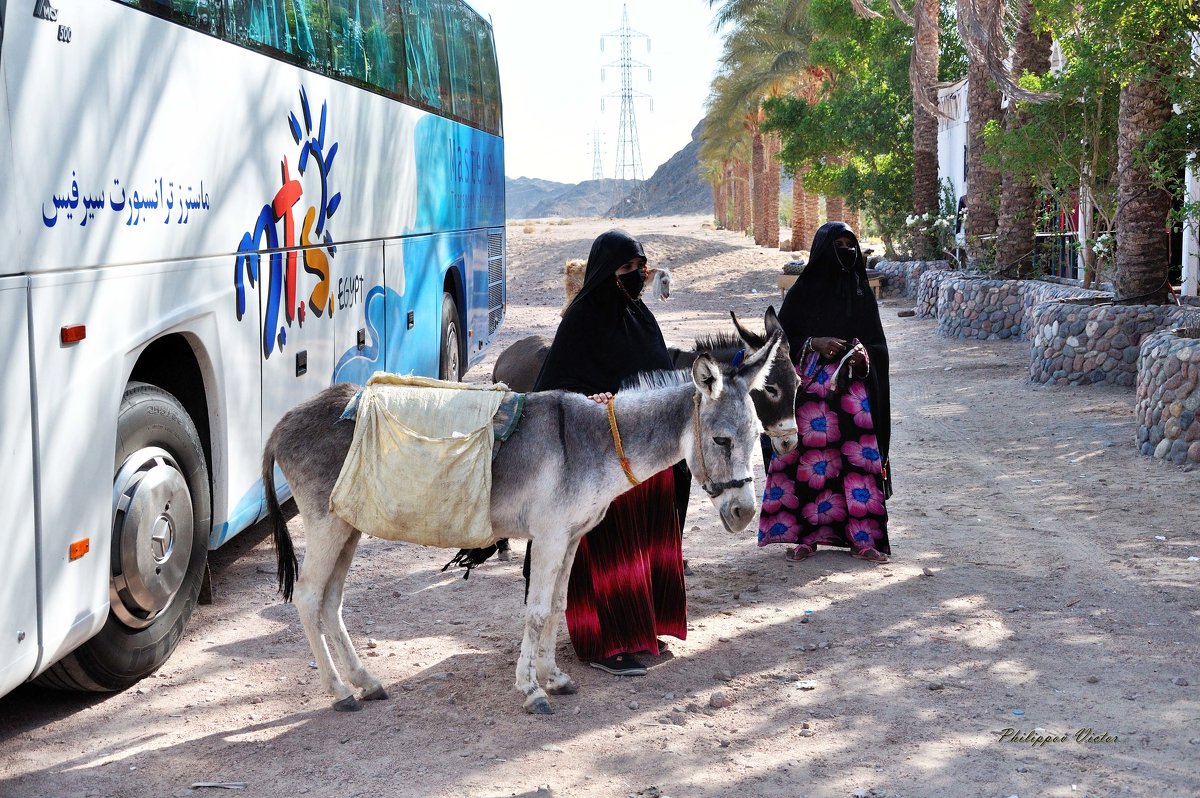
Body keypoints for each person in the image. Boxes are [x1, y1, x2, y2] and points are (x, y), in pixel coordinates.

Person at [758, 221, 893, 563]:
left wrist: (861, 353)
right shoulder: (803, 293)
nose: (847, 251)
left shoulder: (860, 292)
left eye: (852, 244)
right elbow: (778, 344)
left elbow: (878, 346)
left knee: (855, 465)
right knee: (807, 465)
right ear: (822, 251)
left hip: (852, 399)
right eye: (839, 245)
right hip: (809, 399)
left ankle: (862, 539)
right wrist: (814, 343)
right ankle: (806, 536)